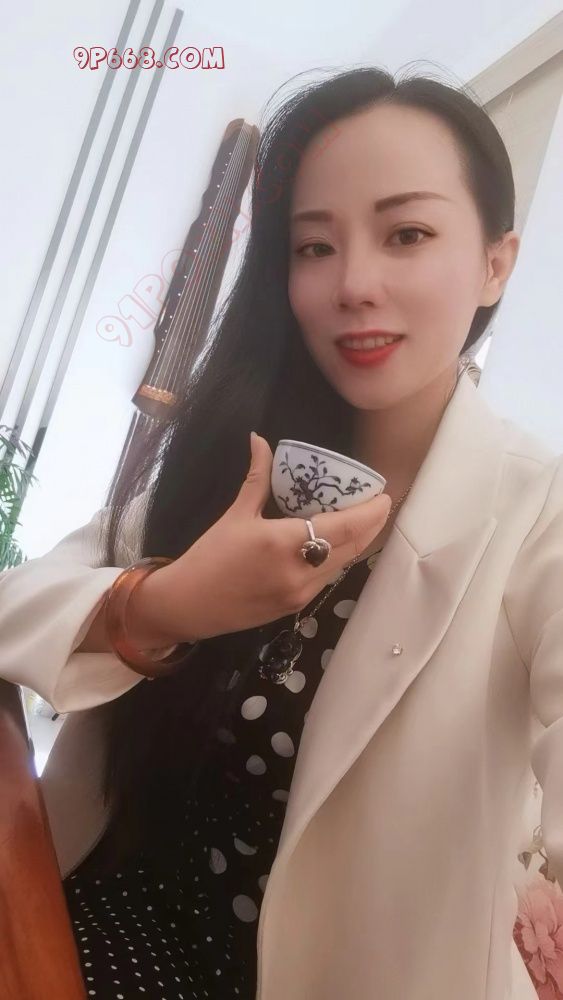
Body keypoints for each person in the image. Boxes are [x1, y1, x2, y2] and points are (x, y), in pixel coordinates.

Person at [1, 64, 560, 1000]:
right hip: (95, 918)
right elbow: (19, 606)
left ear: (494, 263)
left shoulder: (535, 509)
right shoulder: (246, 453)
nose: (353, 284)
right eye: (313, 246)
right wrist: (167, 604)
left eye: (406, 234)